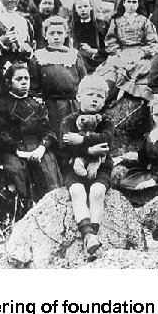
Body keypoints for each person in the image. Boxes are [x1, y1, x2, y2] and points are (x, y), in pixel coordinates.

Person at [0, 63, 62, 220]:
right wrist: (19, 152)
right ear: (9, 82)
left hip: (37, 147)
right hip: (14, 149)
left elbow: (48, 131)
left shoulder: (37, 104)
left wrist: (42, 148)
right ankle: (22, 216)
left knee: (48, 168)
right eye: (18, 79)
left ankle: (53, 215)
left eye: (26, 78)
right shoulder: (1, 104)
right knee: (16, 172)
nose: (24, 82)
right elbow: (0, 133)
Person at [60, 75, 114, 256]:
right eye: (90, 94)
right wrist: (90, 151)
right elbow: (64, 148)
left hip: (101, 166)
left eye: (100, 97)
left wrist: (81, 140)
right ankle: (87, 233)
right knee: (77, 192)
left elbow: (106, 141)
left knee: (97, 192)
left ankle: (94, 235)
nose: (94, 99)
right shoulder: (68, 121)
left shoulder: (105, 121)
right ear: (79, 97)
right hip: (72, 165)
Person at [114, 96, 158, 204]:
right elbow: (142, 161)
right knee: (125, 181)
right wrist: (123, 160)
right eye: (156, 114)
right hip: (152, 173)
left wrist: (154, 180)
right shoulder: (151, 136)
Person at [29, 16, 88, 139]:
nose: (56, 36)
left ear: (66, 34)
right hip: (50, 106)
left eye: (60, 33)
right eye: (52, 33)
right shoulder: (39, 57)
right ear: (45, 35)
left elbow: (84, 82)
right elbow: (33, 85)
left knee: (72, 135)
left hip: (72, 105)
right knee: (54, 136)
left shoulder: (74, 56)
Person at [100, 0, 158, 101]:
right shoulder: (116, 21)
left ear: (138, 4)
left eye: (134, 2)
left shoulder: (144, 21)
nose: (131, 5)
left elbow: (153, 42)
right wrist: (119, 54)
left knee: (145, 70)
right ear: (123, 3)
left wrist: (141, 54)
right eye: (129, 2)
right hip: (121, 53)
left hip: (140, 54)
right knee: (113, 70)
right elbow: (110, 41)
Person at [70, 0, 108, 73]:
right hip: (81, 60)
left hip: (99, 58)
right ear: (76, 10)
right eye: (79, 7)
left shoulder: (100, 25)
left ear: (91, 7)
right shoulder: (75, 26)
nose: (83, 10)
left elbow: (109, 48)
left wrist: (93, 51)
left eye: (86, 6)